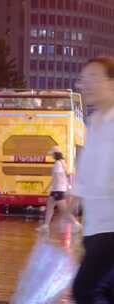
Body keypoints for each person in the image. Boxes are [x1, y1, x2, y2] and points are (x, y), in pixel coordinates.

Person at [72, 56, 114, 303]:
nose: (84, 85)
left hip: (111, 228)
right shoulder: (95, 123)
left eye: (93, 78)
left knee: (87, 290)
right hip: (97, 227)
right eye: (83, 79)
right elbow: (89, 174)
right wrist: (74, 197)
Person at [37, 147, 81, 232]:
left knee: (63, 210)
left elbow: (57, 178)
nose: (51, 156)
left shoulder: (57, 164)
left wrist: (48, 188)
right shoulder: (62, 162)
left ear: (55, 154)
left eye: (52, 154)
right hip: (57, 189)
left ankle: (76, 224)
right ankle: (45, 226)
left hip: (58, 190)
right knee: (50, 207)